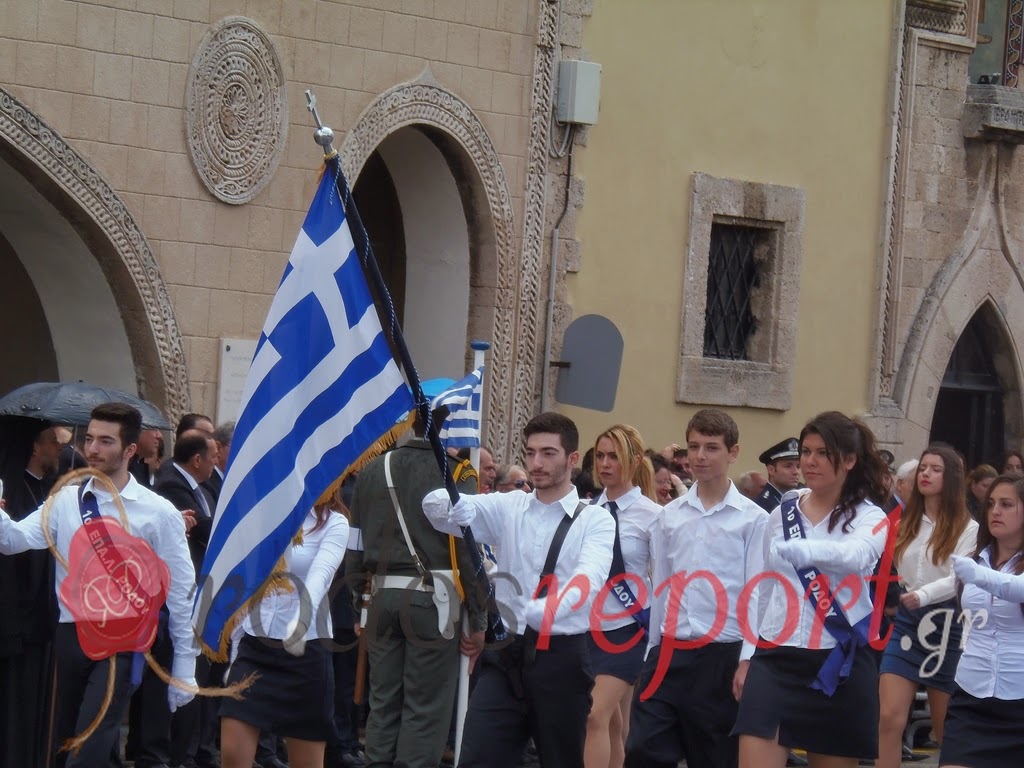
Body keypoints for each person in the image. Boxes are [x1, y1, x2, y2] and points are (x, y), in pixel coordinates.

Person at [0, 403, 197, 767]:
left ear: (130, 450)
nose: (93, 448)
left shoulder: (159, 512)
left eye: (106, 441)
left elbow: (182, 592)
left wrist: (186, 665)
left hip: (122, 641)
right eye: (89, 438)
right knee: (65, 746)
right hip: (69, 636)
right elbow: (12, 540)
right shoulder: (63, 501)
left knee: (86, 751)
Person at [423, 412, 615, 768]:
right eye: (530, 453)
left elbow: (590, 576)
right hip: (506, 654)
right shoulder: (509, 506)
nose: (536, 463)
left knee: (561, 761)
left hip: (561, 658)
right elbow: (434, 509)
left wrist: (552, 606)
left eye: (548, 453)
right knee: (477, 758)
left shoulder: (596, 520)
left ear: (572, 459)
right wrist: (455, 504)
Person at [733, 411, 888, 768]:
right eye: (806, 452)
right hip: (775, 656)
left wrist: (807, 550)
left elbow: (855, 555)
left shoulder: (870, 517)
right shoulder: (785, 510)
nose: (810, 462)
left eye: (822, 453)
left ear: (849, 460)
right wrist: (747, 654)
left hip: (838, 659)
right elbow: (763, 585)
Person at [625, 409, 767, 768]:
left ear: (733, 453)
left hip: (721, 654)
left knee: (714, 756)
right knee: (642, 749)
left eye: (711, 448)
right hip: (669, 652)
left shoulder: (754, 520)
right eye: (693, 447)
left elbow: (756, 592)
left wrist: (748, 658)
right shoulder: (669, 517)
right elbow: (662, 585)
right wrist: (652, 648)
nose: (700, 456)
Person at [348, 411, 486, 768]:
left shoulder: (372, 470)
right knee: (425, 710)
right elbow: (468, 551)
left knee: (384, 704)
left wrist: (357, 605)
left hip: (380, 597)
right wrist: (481, 616)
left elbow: (355, 547)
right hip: (433, 600)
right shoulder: (457, 472)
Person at [220, 498, 350, 768]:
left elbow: (321, 576)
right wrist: (234, 652)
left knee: (307, 763)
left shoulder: (335, 522)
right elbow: (244, 582)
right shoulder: (262, 517)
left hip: (306, 652)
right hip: (254, 647)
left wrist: (300, 620)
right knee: (232, 753)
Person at [876, 444, 978, 768]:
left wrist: (923, 594)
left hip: (948, 623)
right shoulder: (904, 520)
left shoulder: (968, 527)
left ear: (951, 479)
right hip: (908, 621)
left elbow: (958, 577)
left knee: (944, 726)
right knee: (888, 717)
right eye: (923, 468)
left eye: (935, 469)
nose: (926, 474)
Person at [584, 425, 661, 768]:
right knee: (616, 725)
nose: (604, 464)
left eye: (614, 456)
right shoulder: (585, 511)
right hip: (588, 627)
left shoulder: (653, 515)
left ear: (634, 461)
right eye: (600, 456)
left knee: (592, 716)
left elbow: (662, 580)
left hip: (631, 629)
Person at [941, 475, 1024, 768]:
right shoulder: (974, 560)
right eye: (990, 504)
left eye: (1006, 504)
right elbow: (947, 584)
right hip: (971, 698)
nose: (995, 512)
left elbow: (1016, 588)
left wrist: (976, 575)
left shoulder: (975, 570)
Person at [0, 419, 60, 768]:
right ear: (34, 448)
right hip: (16, 617)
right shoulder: (13, 491)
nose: (59, 448)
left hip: (40, 618)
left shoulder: (48, 489)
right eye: (52, 441)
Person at [754, 438, 801, 513]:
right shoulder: (763, 505)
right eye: (788, 466)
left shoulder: (802, 496)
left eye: (798, 466)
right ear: (771, 470)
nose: (796, 472)